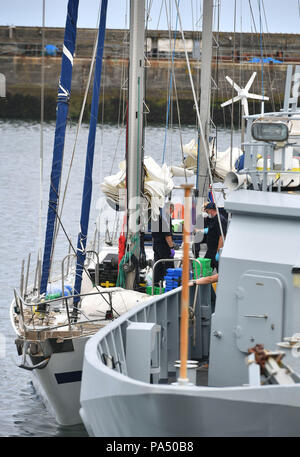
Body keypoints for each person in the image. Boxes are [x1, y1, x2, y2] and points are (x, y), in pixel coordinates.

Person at [151, 203, 176, 286]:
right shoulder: (166, 218)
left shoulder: (156, 217)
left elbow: (153, 235)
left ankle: (156, 285)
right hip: (164, 247)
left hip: (156, 245)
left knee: (158, 266)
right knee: (169, 267)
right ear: (170, 209)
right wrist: (171, 247)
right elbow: (167, 235)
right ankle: (171, 285)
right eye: (172, 210)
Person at [204, 202, 227, 271]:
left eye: (207, 211)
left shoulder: (219, 220)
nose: (207, 213)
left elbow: (222, 236)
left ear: (211, 210)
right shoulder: (214, 219)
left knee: (219, 270)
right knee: (205, 268)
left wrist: (218, 252)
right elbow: (213, 230)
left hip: (215, 250)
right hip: (211, 250)